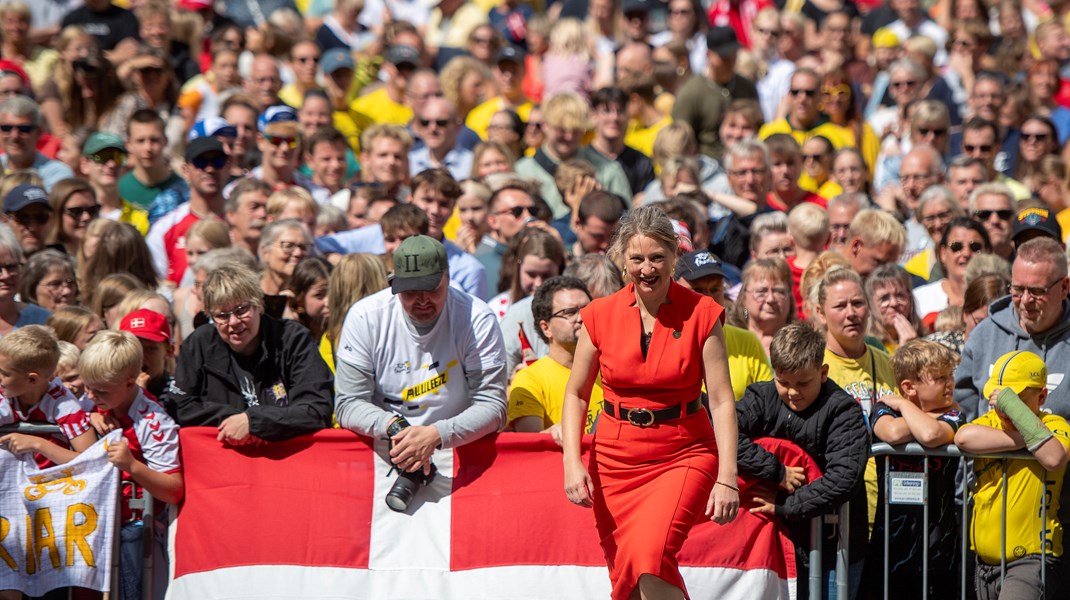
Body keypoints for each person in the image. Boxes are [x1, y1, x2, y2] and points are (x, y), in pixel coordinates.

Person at [561, 205, 739, 599]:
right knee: (630, 579)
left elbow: (723, 401)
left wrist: (728, 477)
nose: (647, 268)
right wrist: (572, 462)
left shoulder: (703, 313)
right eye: (637, 258)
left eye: (657, 257)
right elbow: (576, 393)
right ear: (622, 260)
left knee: (649, 556)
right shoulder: (598, 315)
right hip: (613, 461)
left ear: (675, 257)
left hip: (684, 453)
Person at [334, 235, 508, 488]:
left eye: (432, 288)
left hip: (458, 450)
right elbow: (348, 403)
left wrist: (437, 434)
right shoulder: (366, 316)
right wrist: (396, 428)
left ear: (448, 278)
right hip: (386, 450)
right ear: (394, 284)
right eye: (411, 291)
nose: (423, 299)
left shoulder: (477, 318)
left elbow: (493, 405)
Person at [735, 323, 869, 600]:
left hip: (834, 545)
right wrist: (776, 471)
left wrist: (786, 505)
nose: (792, 392)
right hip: (770, 542)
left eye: (803, 383)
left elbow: (844, 478)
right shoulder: (760, 396)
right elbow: (723, 435)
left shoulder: (843, 410)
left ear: (822, 373)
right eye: (783, 382)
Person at [164, 263, 333, 442]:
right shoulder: (199, 344)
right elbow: (179, 407)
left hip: (285, 458)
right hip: (223, 459)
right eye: (222, 315)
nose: (234, 321)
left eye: (241, 310)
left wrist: (254, 422)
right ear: (211, 317)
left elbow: (317, 408)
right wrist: (237, 421)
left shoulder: (293, 339)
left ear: (259, 305)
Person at [955, 350, 1069, 599]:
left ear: (1041, 396)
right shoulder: (992, 422)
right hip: (985, 565)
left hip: (1031, 560)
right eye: (998, 401)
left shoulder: (1054, 425)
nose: (1004, 410)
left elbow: (1053, 456)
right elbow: (963, 437)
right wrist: (1028, 440)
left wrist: (1024, 425)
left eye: (1015, 401)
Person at [79, 330, 183, 600]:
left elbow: (173, 489)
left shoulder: (154, 422)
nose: (90, 395)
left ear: (129, 383)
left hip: (136, 530)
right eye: (86, 386)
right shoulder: (93, 400)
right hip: (92, 522)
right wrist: (90, 416)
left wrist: (132, 465)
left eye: (100, 390)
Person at [866, 339, 963, 599]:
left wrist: (905, 406)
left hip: (938, 543)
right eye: (940, 378)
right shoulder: (885, 409)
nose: (950, 383)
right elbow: (893, 431)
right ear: (908, 387)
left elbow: (931, 434)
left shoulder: (953, 416)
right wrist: (918, 413)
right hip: (891, 541)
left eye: (950, 375)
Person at [508, 276, 602, 440]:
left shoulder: (610, 364)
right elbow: (527, 448)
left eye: (587, 309)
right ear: (546, 328)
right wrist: (551, 434)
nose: (582, 317)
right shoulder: (530, 380)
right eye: (570, 312)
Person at [675, 249, 772, 400]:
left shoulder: (747, 343)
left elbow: (766, 402)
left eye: (715, 290)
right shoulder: (660, 340)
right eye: (698, 289)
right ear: (674, 289)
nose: (707, 298)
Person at [0, 324, 95, 468]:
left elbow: (91, 459)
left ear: (32, 379)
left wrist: (37, 444)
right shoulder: (5, 393)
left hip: (50, 486)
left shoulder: (64, 405)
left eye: (5, 374)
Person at [727, 258, 795, 358]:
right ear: (744, 297)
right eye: (761, 292)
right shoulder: (728, 338)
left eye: (779, 291)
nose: (771, 299)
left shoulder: (800, 343)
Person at [117, 308, 175, 402]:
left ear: (169, 351)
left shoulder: (179, 397)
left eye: (150, 349)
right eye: (134, 348)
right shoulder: (108, 392)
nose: (141, 356)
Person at [865, 264, 923, 354]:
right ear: (870, 305)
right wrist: (904, 352)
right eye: (884, 298)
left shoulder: (927, 340)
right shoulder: (866, 347)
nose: (894, 303)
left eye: (900, 296)